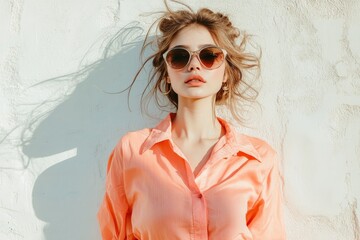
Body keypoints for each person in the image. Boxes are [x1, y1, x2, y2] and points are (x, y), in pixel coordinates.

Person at [97, 2, 286, 239]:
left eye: (209, 56)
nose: (194, 64)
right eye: (179, 57)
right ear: (167, 74)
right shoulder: (132, 152)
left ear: (226, 72)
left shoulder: (259, 159)